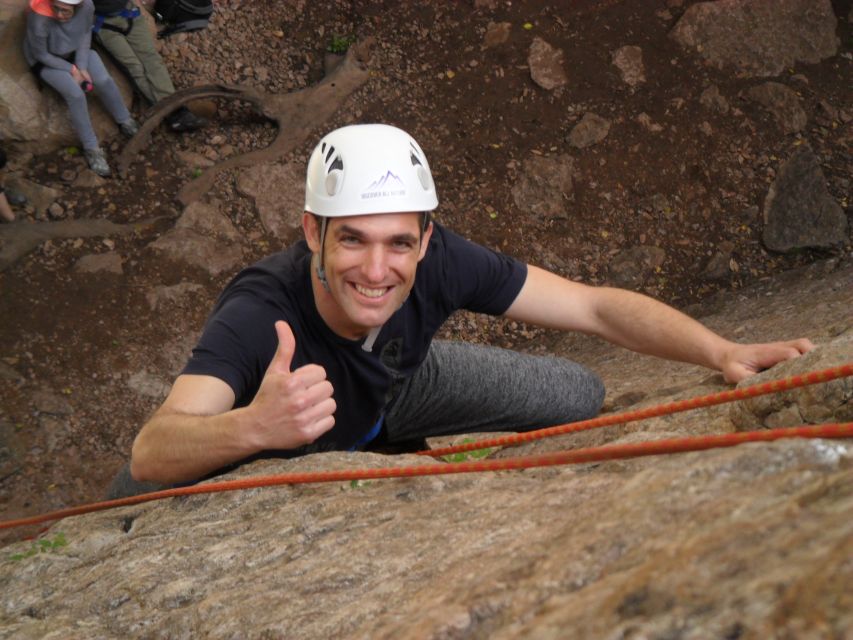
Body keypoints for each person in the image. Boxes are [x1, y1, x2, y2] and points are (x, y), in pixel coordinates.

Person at [118, 123, 813, 496]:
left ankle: (387, 434)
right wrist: (253, 427)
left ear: (425, 239)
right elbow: (153, 450)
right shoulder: (261, 311)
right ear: (312, 234)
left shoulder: (441, 258)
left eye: (398, 242)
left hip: (395, 385)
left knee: (578, 392)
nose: (375, 268)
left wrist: (719, 351)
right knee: (126, 510)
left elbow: (594, 309)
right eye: (351, 239)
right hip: (289, 414)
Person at [23, 0, 140, 177]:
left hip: (75, 52)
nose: (59, 15)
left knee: (103, 79)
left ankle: (125, 120)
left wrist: (82, 65)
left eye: (65, 11)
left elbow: (85, 33)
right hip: (47, 61)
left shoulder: (87, 6)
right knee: (76, 94)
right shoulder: (40, 19)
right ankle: (91, 148)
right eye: (56, 8)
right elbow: (41, 54)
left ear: (77, 7)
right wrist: (72, 70)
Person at [91, 0, 206, 132]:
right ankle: (171, 113)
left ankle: (177, 110)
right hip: (104, 24)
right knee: (135, 68)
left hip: (128, 13)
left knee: (152, 60)